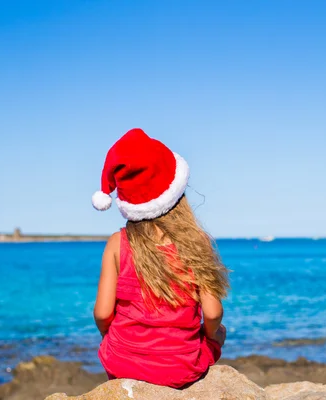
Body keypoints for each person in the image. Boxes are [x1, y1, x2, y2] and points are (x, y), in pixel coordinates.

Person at [91, 128, 229, 388]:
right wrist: (213, 337)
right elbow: (212, 313)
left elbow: (102, 312)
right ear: (177, 194)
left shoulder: (116, 244)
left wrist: (114, 339)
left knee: (117, 342)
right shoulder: (197, 243)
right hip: (181, 367)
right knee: (216, 336)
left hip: (123, 363)